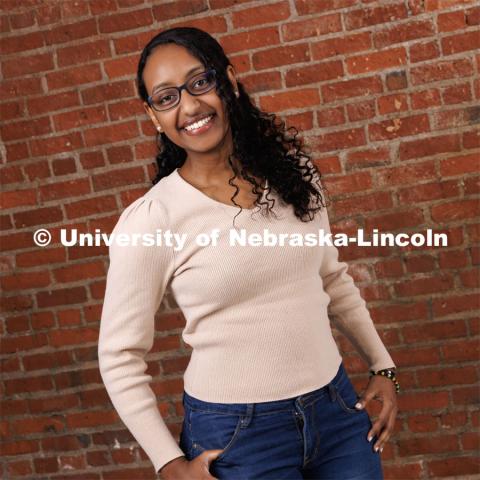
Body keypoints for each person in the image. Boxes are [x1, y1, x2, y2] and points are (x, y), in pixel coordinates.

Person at [98, 27, 399, 480]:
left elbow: (331, 279)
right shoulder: (153, 218)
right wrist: (168, 462)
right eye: (167, 97)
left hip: (336, 412)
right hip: (236, 436)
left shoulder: (294, 176)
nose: (190, 106)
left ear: (230, 81)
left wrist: (384, 367)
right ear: (154, 117)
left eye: (201, 82)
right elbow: (119, 353)